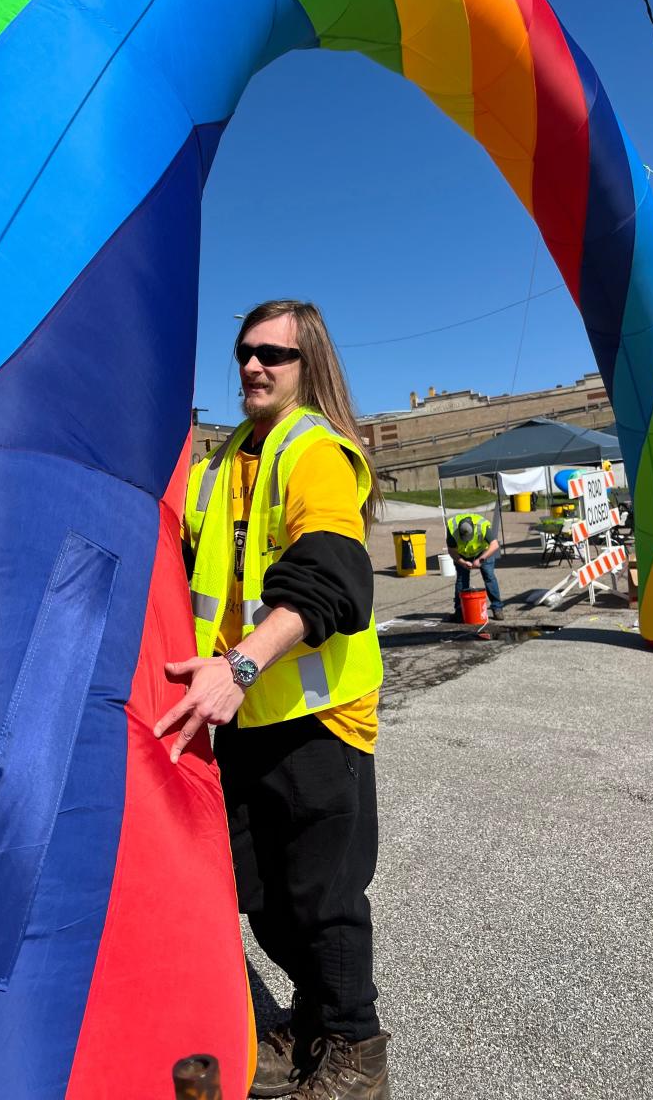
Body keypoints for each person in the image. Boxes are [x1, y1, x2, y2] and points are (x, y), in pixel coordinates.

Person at [154, 300, 389, 1100]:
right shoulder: (222, 468)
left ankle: (356, 1050)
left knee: (322, 902)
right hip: (247, 719)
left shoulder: (315, 451)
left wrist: (240, 667)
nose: (254, 366)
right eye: (246, 352)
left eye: (274, 355)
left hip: (317, 718)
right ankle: (312, 1022)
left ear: (308, 364)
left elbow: (330, 576)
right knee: (259, 900)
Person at [447, 512, 504, 621]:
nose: (467, 540)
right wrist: (462, 562)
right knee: (461, 580)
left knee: (489, 576)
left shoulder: (481, 525)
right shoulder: (452, 528)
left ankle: (497, 608)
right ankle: (459, 611)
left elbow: (495, 544)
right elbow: (452, 551)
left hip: (483, 552)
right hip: (462, 554)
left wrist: (481, 559)